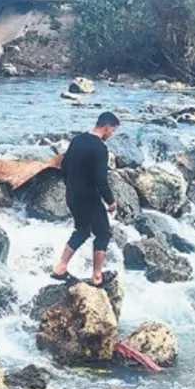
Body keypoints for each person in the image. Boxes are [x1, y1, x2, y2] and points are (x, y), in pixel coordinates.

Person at [51, 112, 120, 286]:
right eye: (113, 130)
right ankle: (97, 277)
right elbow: (101, 179)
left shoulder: (77, 140)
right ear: (106, 126)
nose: (111, 134)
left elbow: (64, 166)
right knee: (103, 233)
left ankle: (60, 268)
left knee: (82, 231)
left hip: (72, 195)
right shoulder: (100, 148)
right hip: (89, 198)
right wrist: (110, 201)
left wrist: (70, 186)